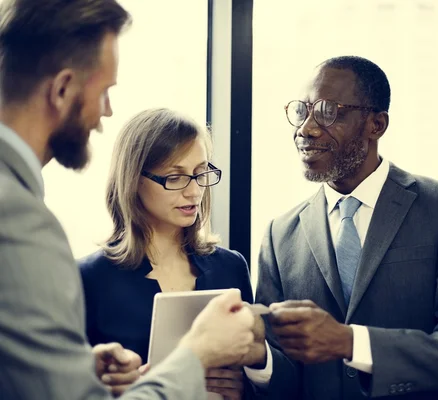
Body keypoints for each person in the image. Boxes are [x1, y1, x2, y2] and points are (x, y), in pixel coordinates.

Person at [0, 1, 255, 399]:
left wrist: (83, 371)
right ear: (63, 88)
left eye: (200, 174)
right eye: (104, 91)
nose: (106, 111)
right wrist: (195, 356)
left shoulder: (229, 266)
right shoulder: (22, 220)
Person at [248, 56, 438, 399]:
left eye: (327, 111)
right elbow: (285, 375)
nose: (306, 128)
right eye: (302, 111)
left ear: (376, 125)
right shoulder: (280, 234)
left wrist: (350, 342)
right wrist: (258, 360)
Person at [79, 108, 254, 399]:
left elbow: (256, 367)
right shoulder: (87, 279)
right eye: (175, 178)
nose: (194, 191)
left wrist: (243, 388)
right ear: (134, 180)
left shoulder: (230, 267)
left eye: (201, 173)